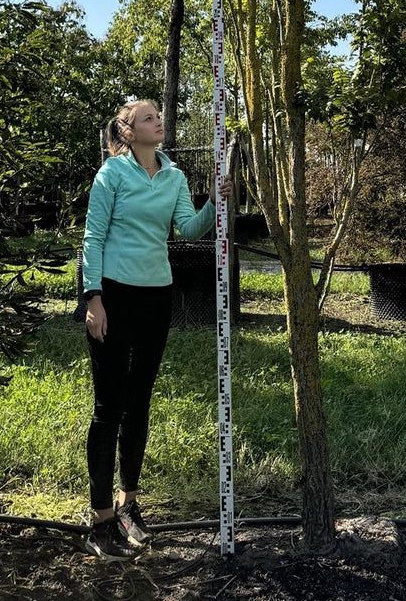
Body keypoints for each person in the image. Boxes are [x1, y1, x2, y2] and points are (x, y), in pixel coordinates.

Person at [80, 99, 232, 559]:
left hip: (156, 297)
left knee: (139, 400)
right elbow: (93, 236)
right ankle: (100, 520)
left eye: (158, 116)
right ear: (127, 132)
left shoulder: (175, 176)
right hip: (113, 296)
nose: (158, 121)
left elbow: (187, 229)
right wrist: (93, 299)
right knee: (109, 405)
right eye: (148, 117)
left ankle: (129, 504)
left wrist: (214, 202)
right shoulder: (112, 175)